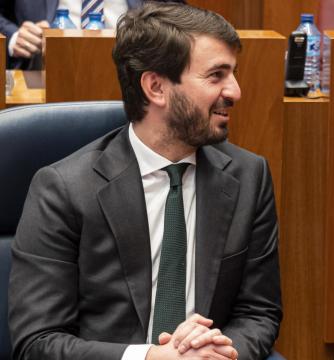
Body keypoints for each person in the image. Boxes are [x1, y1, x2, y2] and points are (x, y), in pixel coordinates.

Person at [9, 3, 281, 360]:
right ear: (156, 87)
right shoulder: (63, 188)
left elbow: (258, 313)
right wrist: (150, 357)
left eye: (233, 74)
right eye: (216, 75)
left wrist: (224, 353)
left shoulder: (248, 176)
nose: (235, 91)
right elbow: (37, 341)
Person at [0, 0, 183, 69]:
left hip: (132, 73)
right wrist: (14, 36)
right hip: (42, 73)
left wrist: (151, 33)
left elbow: (177, 14)